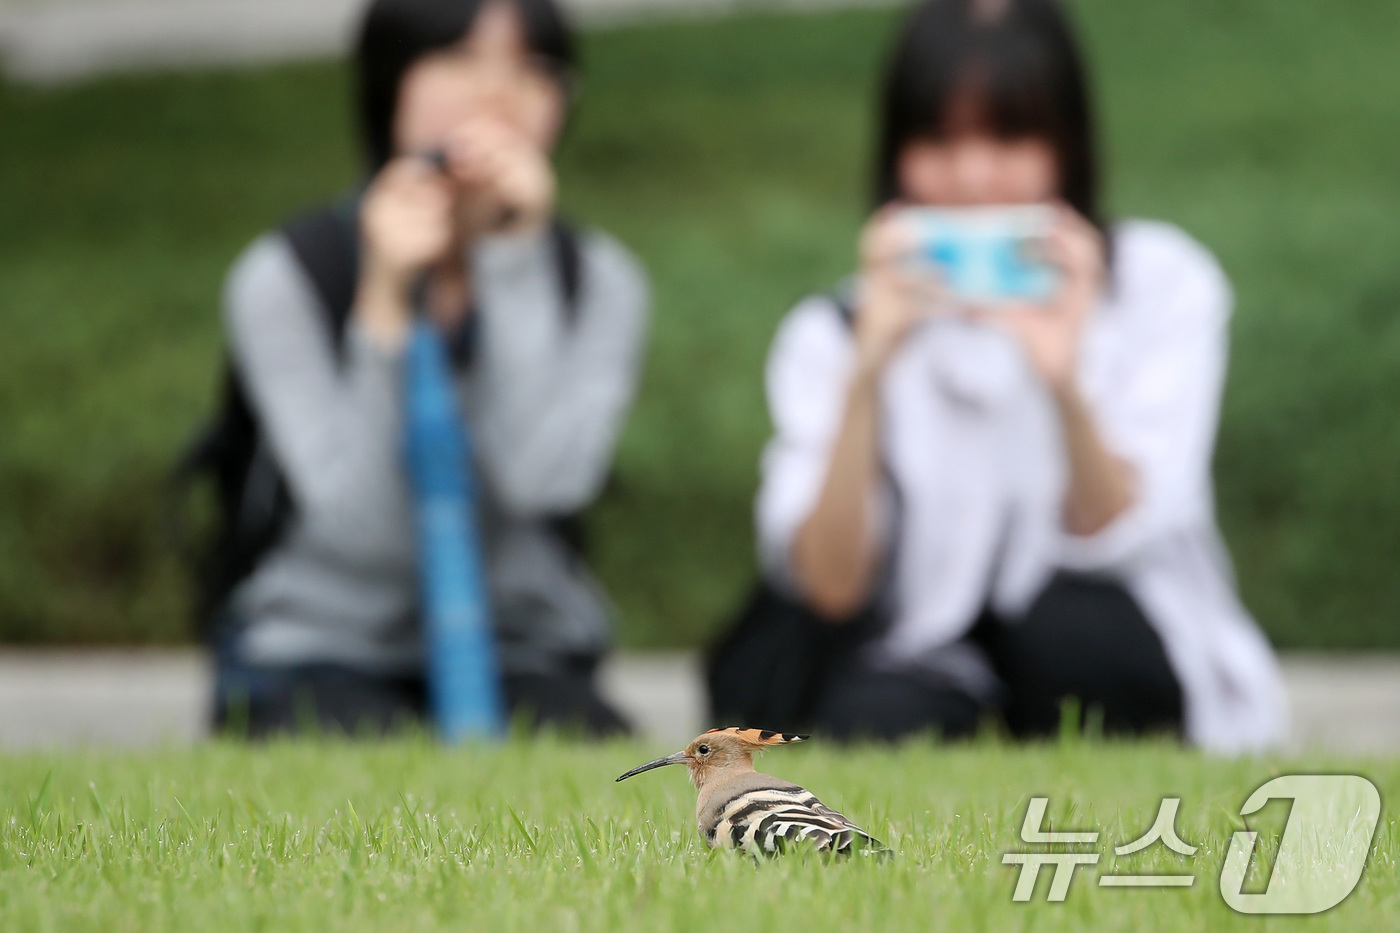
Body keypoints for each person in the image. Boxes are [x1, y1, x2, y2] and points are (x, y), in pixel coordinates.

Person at [748, 0, 1285, 750]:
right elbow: (829, 586)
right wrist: (866, 376)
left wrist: (1063, 381)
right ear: (895, 153)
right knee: (875, 714)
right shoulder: (835, 329)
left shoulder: (1157, 284)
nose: (973, 177)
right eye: (937, 138)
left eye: (1009, 136)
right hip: (927, 655)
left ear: (1068, 143)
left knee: (1070, 638)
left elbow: (1127, 535)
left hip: (1105, 642)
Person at [204, 0, 648, 736]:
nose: (496, 95)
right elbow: (362, 529)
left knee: (595, 761)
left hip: (522, 650)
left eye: (532, 69)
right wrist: (381, 305)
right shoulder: (289, 274)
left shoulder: (598, 280)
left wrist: (512, 259)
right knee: (338, 756)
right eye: (459, 59)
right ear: (390, 84)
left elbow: (540, 478)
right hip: (321, 648)